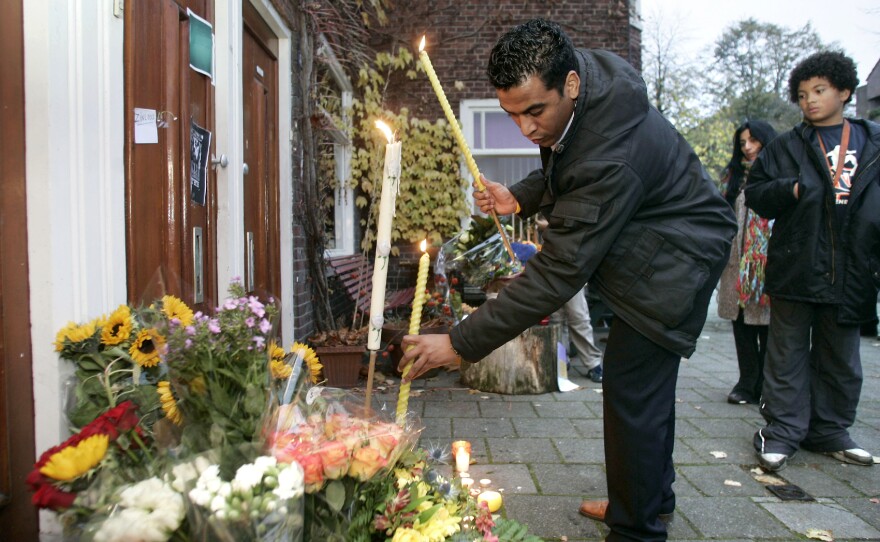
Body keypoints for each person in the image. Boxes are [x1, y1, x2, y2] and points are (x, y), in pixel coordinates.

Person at [400, 19, 736, 541]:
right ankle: (646, 500)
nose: (527, 129)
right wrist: (521, 197)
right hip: (653, 243)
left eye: (535, 111)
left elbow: (559, 270)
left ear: (571, 85)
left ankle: (637, 529)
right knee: (641, 396)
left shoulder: (611, 152)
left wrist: (461, 342)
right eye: (512, 114)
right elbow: (569, 168)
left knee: (633, 399)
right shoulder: (589, 90)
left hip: (675, 261)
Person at [744, 51, 880, 471]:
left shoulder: (872, 141)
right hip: (796, 265)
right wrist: (791, 190)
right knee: (785, 355)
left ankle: (830, 431)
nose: (810, 101)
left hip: (853, 269)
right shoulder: (787, 145)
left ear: (844, 91)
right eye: (802, 94)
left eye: (819, 90)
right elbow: (757, 194)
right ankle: (782, 432)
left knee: (841, 357)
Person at [716, 120, 778, 405]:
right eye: (742, 142)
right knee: (740, 324)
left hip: (766, 266)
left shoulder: (780, 174)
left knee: (766, 326)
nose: (748, 147)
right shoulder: (733, 177)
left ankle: (766, 387)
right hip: (735, 264)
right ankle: (746, 383)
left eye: (754, 140)